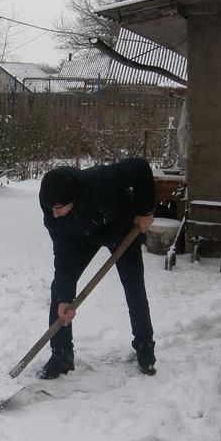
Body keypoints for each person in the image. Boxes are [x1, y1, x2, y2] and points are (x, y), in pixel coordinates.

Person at [38, 158, 157, 379]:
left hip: (121, 229)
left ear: (72, 199)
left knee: (134, 286)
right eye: (50, 208)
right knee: (59, 290)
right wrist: (65, 298)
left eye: (58, 208)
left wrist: (145, 210)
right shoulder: (53, 214)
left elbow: (140, 167)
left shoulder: (102, 180)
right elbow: (63, 257)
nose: (54, 214)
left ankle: (145, 345)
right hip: (81, 238)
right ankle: (61, 354)